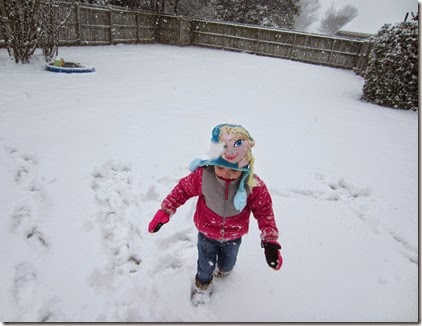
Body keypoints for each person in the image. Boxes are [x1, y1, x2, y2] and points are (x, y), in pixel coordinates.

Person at [148, 123, 282, 306]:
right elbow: (181, 191)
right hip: (206, 233)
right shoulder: (203, 176)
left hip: (234, 236)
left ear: (244, 168)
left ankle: (223, 272)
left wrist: (270, 241)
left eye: (233, 170)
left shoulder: (252, 185)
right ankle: (202, 285)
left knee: (228, 264)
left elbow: (265, 211)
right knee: (205, 264)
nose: (226, 174)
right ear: (213, 161)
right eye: (221, 168)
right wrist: (165, 211)